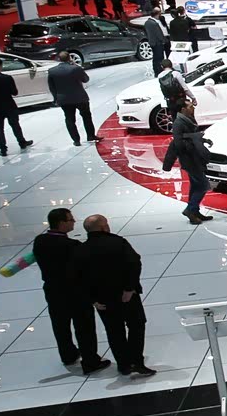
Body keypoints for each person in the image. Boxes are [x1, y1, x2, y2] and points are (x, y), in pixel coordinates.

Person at [72, 214, 152, 377]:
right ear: (103, 227)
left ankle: (123, 364)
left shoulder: (80, 250)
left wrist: (92, 300)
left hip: (102, 299)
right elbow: (134, 263)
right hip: (126, 295)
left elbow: (77, 278)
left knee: (114, 330)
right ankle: (136, 361)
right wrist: (129, 289)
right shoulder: (118, 242)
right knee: (136, 325)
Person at [34, 209, 106, 372]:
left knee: (60, 325)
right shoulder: (72, 246)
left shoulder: (40, 241)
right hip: (75, 292)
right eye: (71, 219)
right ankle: (90, 360)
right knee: (84, 327)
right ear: (61, 223)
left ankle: (68, 355)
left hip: (53, 290)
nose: (74, 222)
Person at [162, 95, 213, 224]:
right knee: (203, 185)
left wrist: (199, 139)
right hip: (190, 160)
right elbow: (179, 144)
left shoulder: (188, 119)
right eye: (190, 106)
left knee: (195, 185)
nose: (193, 108)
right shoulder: (179, 123)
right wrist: (193, 140)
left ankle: (195, 211)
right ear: (183, 109)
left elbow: (191, 137)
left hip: (194, 158)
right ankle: (190, 209)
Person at [47, 51, 97, 145]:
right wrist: (76, 66)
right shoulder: (75, 68)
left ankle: (76, 140)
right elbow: (86, 79)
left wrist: (56, 99)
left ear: (59, 59)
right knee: (86, 117)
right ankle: (91, 136)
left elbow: (52, 87)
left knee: (69, 119)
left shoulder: (52, 71)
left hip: (64, 99)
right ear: (69, 58)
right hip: (80, 97)